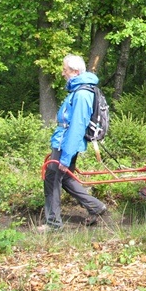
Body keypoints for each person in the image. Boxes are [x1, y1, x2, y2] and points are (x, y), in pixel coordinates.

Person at [40, 55, 107, 232]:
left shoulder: (82, 94)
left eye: (65, 70)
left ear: (76, 72)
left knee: (52, 179)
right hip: (63, 141)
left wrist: (66, 156)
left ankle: (53, 223)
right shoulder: (78, 91)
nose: (63, 73)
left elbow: (77, 126)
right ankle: (95, 207)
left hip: (65, 144)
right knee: (66, 178)